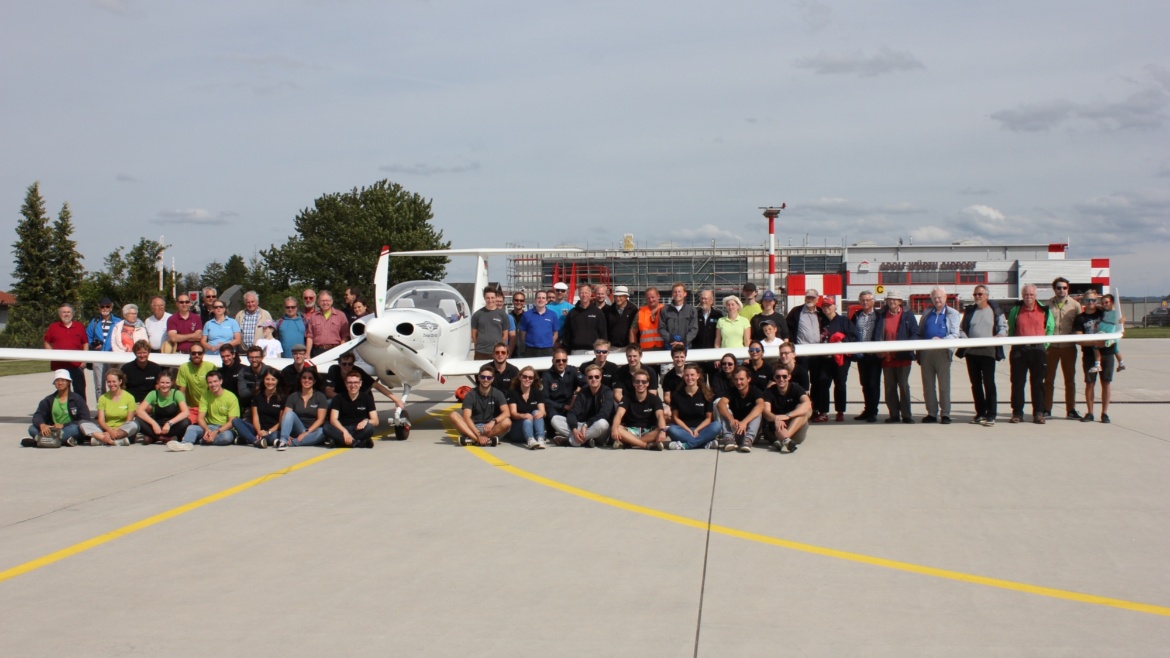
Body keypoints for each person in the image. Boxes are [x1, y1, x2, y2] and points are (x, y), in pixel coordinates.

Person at [958, 285, 1008, 426]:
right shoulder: (970, 311)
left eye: (980, 294)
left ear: (986, 295)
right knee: (976, 384)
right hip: (972, 353)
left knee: (989, 383)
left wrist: (1000, 335)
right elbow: (961, 329)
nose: (977, 297)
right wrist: (965, 339)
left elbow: (1003, 327)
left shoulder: (995, 311)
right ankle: (980, 413)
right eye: (975, 294)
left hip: (988, 353)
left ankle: (991, 414)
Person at [1006, 284, 1054, 424]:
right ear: (1022, 296)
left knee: (1038, 382)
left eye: (1031, 295)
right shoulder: (1016, 309)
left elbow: (1050, 328)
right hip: (1019, 350)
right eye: (1026, 295)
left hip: (1037, 350)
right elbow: (1012, 328)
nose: (1029, 297)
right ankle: (1017, 413)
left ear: (1036, 296)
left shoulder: (1044, 310)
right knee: (1017, 382)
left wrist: (1044, 345)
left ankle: (1038, 412)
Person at [916, 286, 960, 424]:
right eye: (934, 298)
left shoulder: (952, 313)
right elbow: (921, 332)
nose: (937, 300)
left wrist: (941, 341)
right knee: (928, 384)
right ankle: (931, 413)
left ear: (946, 297)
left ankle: (945, 413)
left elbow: (955, 334)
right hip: (926, 353)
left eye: (939, 297)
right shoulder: (927, 313)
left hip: (943, 352)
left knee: (944, 385)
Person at [786, 289, 830, 423]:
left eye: (812, 298)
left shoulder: (821, 313)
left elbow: (828, 327)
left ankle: (817, 409)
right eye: (808, 297)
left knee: (818, 382)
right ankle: (798, 407)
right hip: (802, 353)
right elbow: (788, 328)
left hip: (817, 354)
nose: (810, 300)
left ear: (817, 299)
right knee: (801, 382)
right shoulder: (796, 311)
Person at [875, 291, 919, 424]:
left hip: (903, 357)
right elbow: (877, 334)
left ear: (900, 301)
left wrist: (907, 346)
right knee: (889, 387)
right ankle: (894, 414)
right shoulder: (882, 315)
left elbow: (915, 333)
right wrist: (878, 350)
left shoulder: (908, 316)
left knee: (904, 386)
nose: (892, 302)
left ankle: (906, 415)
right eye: (889, 300)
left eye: (895, 300)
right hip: (887, 357)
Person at [1044, 277, 1082, 419]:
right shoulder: (1047, 305)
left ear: (1068, 289)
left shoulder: (1075, 305)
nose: (1061, 290)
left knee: (1070, 379)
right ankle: (1047, 408)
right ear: (1054, 289)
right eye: (1059, 288)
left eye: (1064, 288)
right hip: (1051, 347)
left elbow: (1081, 324)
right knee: (1048, 379)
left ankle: (1071, 409)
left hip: (1068, 347)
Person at [172, 370, 239, 450]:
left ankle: (201, 441)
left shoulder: (231, 397)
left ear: (221, 381)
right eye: (210, 382)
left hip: (225, 429)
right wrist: (206, 429)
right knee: (191, 428)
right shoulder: (205, 396)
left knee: (226, 437)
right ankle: (185, 444)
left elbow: (232, 422)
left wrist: (216, 432)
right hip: (209, 426)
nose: (213, 384)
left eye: (215, 381)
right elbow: (200, 418)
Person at [552, 363, 615, 447]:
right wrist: (574, 429)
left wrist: (586, 425)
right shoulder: (583, 392)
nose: (593, 379)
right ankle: (586, 440)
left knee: (603, 423)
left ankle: (572, 441)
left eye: (596, 377)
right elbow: (572, 413)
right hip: (583, 426)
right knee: (555, 419)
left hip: (599, 430)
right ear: (586, 378)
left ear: (601, 377)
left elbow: (604, 414)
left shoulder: (607, 392)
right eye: (590, 377)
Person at [1073, 293, 1113, 423]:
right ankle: (1090, 412)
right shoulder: (1080, 318)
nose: (1091, 302)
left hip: (1107, 352)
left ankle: (1105, 413)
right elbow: (1078, 339)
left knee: (1106, 382)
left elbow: (1117, 319)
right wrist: (1095, 343)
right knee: (1090, 383)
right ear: (1084, 301)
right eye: (1088, 300)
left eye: (1093, 300)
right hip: (1090, 355)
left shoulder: (1104, 313)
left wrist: (1122, 320)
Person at [24, 370, 90, 447]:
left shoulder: (77, 399)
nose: (60, 383)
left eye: (63, 380)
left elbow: (85, 419)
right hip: (53, 429)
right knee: (32, 428)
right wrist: (41, 424)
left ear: (68, 382)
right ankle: (59, 440)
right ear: (54, 383)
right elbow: (38, 415)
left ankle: (43, 440)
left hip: (67, 428)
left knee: (75, 429)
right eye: (57, 380)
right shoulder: (48, 400)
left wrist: (63, 425)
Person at [323, 352, 406, 413]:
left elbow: (377, 386)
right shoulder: (333, 369)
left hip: (358, 400)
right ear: (339, 364)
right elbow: (329, 391)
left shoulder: (358, 371)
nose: (347, 367)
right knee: (329, 402)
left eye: (350, 364)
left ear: (353, 364)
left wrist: (397, 400)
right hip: (342, 398)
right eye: (344, 364)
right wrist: (345, 400)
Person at [450, 364, 511, 447]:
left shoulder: (498, 393)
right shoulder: (470, 395)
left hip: (490, 429)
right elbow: (466, 417)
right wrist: (478, 435)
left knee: (507, 422)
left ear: (492, 379)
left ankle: (473, 440)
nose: (485, 380)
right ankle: (481, 440)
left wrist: (493, 421)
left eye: (489, 378)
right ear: (479, 378)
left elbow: (507, 413)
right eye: (483, 377)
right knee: (453, 415)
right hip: (472, 428)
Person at [665, 364, 721, 450]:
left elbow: (708, 419)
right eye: (687, 375)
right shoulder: (677, 395)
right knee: (672, 429)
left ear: (698, 376)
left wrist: (697, 430)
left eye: (692, 375)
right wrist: (688, 430)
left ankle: (687, 445)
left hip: (702, 429)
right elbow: (676, 418)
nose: (689, 378)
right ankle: (704, 444)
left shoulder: (707, 395)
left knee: (717, 425)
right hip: (684, 430)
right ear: (684, 377)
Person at [611, 368, 669, 450]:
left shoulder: (654, 399)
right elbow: (619, 414)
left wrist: (663, 431)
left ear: (648, 383)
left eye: (644, 382)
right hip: (631, 430)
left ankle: (629, 442)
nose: (640, 384)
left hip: (648, 431)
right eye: (637, 381)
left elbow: (660, 416)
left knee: (663, 430)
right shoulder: (627, 397)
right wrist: (614, 428)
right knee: (618, 428)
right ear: (633, 383)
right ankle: (646, 445)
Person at [43, 303, 89, 403]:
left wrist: (84, 360)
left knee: (80, 390)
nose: (66, 314)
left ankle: (81, 412)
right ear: (60, 314)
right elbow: (46, 342)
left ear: (72, 314)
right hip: (60, 365)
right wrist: (52, 355)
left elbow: (85, 343)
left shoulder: (79, 326)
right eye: (64, 312)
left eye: (68, 312)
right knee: (63, 391)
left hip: (76, 365)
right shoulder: (53, 327)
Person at [81, 368, 139, 446]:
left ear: (120, 381)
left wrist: (113, 431)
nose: (111, 384)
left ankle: (101, 439)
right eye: (109, 382)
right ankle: (113, 441)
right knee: (83, 424)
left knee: (134, 424)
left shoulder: (129, 397)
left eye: (114, 381)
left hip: (122, 429)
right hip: (106, 429)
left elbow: (129, 420)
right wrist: (109, 430)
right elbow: (101, 420)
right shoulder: (103, 398)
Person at [764, 363, 813, 453]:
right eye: (778, 377)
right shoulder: (769, 391)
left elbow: (807, 404)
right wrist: (776, 418)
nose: (781, 379)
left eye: (784, 376)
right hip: (778, 428)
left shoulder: (796, 388)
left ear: (789, 377)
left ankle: (784, 439)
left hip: (795, 428)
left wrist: (788, 416)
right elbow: (766, 411)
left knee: (803, 410)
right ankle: (787, 441)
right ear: (774, 378)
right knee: (775, 421)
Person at [716, 366, 766, 452]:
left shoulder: (755, 391)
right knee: (724, 409)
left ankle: (748, 440)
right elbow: (720, 404)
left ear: (749, 379)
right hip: (735, 432)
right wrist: (731, 419)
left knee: (758, 411)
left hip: (750, 432)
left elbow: (761, 405)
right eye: (736, 379)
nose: (738, 382)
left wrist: (744, 422)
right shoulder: (731, 391)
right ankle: (728, 438)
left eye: (741, 379)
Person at [325, 371, 380, 448]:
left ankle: (339, 442)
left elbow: (376, 421)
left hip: (358, 429)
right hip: (342, 427)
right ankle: (357, 443)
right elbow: (333, 419)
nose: (353, 385)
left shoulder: (367, 398)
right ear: (346, 384)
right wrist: (344, 432)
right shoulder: (338, 398)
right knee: (327, 427)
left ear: (360, 383)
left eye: (356, 382)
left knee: (369, 428)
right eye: (350, 383)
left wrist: (366, 421)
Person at [135, 369, 191, 446]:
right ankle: (165, 439)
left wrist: (169, 423)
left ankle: (154, 438)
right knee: (138, 420)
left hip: (172, 427)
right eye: (162, 382)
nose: (165, 385)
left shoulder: (177, 394)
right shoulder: (153, 394)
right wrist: (153, 423)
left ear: (172, 383)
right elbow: (139, 411)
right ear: (158, 382)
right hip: (156, 426)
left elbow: (186, 412)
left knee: (186, 422)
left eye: (167, 383)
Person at [849, 291, 881, 422]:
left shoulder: (879, 316)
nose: (865, 302)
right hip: (861, 356)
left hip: (874, 355)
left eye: (868, 300)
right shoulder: (856, 315)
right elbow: (851, 332)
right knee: (865, 384)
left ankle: (873, 411)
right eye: (863, 300)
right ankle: (867, 409)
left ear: (873, 301)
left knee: (874, 384)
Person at [233, 369, 285, 448]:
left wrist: (268, 432)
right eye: (267, 379)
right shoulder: (257, 396)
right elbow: (255, 417)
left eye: (273, 379)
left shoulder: (282, 398)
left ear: (277, 381)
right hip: (258, 430)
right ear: (263, 380)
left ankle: (248, 439)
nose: (270, 382)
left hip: (273, 431)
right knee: (235, 421)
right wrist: (259, 432)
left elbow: (281, 422)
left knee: (275, 436)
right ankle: (256, 441)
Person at [279, 370, 329, 449]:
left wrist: (306, 432)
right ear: (300, 379)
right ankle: (283, 440)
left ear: (314, 381)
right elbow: (285, 416)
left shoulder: (320, 396)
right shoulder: (293, 396)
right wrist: (287, 434)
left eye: (310, 378)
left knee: (323, 432)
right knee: (289, 414)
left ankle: (292, 443)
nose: (307, 380)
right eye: (304, 378)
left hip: (312, 430)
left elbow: (320, 420)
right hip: (297, 429)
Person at [86, 297, 121, 398]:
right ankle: (101, 409)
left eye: (107, 306)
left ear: (111, 308)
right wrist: (93, 344)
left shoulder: (118, 322)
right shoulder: (94, 322)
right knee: (99, 386)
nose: (105, 308)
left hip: (113, 356)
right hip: (98, 357)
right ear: (99, 308)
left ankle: (115, 406)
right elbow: (88, 337)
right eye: (102, 306)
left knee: (115, 384)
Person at [542, 347, 582, 433]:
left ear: (567, 361)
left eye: (564, 360)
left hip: (572, 405)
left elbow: (586, 382)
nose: (561, 363)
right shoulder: (547, 376)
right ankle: (575, 435)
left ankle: (574, 434)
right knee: (554, 418)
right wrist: (563, 406)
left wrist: (579, 390)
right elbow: (544, 399)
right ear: (552, 361)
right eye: (558, 360)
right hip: (555, 407)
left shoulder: (573, 371)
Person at [507, 366, 547, 449]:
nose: (527, 379)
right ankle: (530, 440)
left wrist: (541, 413)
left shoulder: (537, 393)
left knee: (537, 412)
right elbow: (513, 413)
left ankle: (540, 439)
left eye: (530, 377)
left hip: (534, 427)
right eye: (524, 376)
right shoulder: (513, 393)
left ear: (533, 380)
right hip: (518, 430)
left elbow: (543, 411)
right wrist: (523, 416)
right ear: (520, 377)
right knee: (527, 420)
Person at [560, 284, 607, 354]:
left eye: (586, 293)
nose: (584, 295)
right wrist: (566, 349)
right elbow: (567, 333)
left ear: (590, 294)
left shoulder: (598, 312)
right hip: (575, 351)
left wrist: (602, 350)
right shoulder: (572, 313)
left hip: (593, 351)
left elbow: (603, 333)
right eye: (582, 293)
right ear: (579, 294)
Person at [304, 291, 349, 358]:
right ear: (318, 302)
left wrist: (341, 351)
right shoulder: (313, 317)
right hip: (317, 352)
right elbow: (310, 336)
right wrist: (307, 354)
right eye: (322, 301)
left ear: (331, 301)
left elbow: (345, 335)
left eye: (327, 300)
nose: (325, 303)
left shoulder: (340, 315)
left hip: (335, 351)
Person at [470, 287, 511, 360]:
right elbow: (473, 335)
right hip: (481, 352)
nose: (490, 300)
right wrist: (479, 347)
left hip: (497, 353)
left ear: (496, 298)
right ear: (484, 298)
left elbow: (505, 335)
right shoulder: (477, 315)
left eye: (492, 298)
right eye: (488, 298)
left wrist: (498, 347)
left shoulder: (502, 315)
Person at [1092, 294, 1127, 373]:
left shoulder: (1115, 312)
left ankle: (1097, 364)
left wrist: (1122, 320)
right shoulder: (1103, 312)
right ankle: (1121, 363)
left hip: (1109, 333)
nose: (1104, 304)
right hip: (1105, 332)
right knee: (1115, 349)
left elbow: (1123, 317)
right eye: (1103, 303)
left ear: (1112, 303)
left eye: (1106, 302)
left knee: (1095, 346)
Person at [518, 290, 558, 358]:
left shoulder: (553, 315)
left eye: (543, 298)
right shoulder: (526, 315)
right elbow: (523, 334)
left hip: (547, 350)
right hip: (530, 350)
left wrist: (549, 344)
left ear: (546, 301)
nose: (541, 300)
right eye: (539, 298)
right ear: (535, 300)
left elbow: (555, 333)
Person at [238, 345, 278, 411]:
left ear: (262, 358)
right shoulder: (243, 372)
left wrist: (253, 390)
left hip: (268, 406)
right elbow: (242, 393)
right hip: (248, 407)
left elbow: (275, 390)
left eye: (257, 357)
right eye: (251, 357)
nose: (254, 360)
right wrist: (257, 389)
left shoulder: (269, 371)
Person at [659, 283, 698, 350]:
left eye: (679, 291)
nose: (677, 294)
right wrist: (671, 340)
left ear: (685, 294)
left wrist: (684, 341)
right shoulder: (665, 310)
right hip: (670, 346)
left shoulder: (691, 310)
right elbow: (661, 328)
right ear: (672, 294)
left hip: (686, 346)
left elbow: (694, 329)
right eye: (675, 292)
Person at [631, 287, 665, 351]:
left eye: (653, 297)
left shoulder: (666, 310)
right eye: (648, 298)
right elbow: (632, 331)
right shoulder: (640, 312)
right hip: (645, 349)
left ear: (658, 296)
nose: (651, 300)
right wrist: (634, 348)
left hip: (663, 348)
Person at [508, 291, 528, 356]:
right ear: (512, 301)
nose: (519, 302)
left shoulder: (528, 317)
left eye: (521, 300)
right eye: (516, 300)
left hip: (525, 352)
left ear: (524, 302)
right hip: (511, 352)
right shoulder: (507, 318)